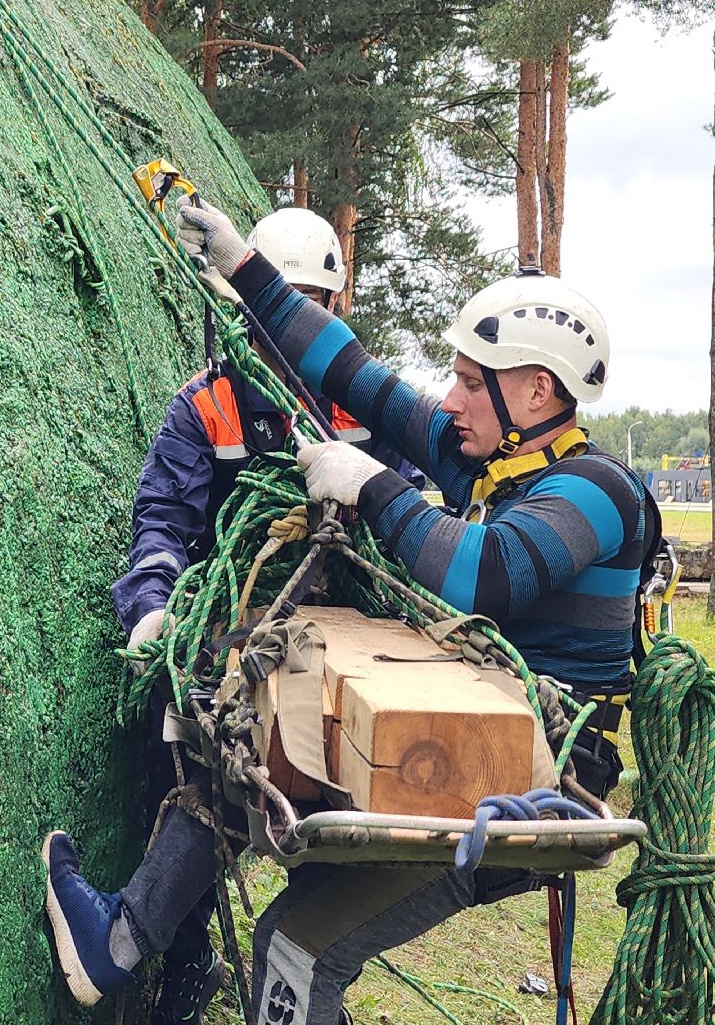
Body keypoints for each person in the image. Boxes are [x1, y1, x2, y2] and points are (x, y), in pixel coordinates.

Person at [42, 197, 654, 1025]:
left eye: (471, 383)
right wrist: (248, 272)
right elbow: (357, 376)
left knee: (298, 946)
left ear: (536, 390)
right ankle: (121, 940)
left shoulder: (595, 491)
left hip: (520, 778)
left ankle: (119, 942)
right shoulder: (494, 463)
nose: (449, 398)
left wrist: (371, 485)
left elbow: (484, 573)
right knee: (255, 746)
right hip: (454, 744)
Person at [108, 206, 399, 1025]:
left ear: (333, 311)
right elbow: (164, 523)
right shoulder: (208, 408)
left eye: (313, 302)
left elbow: (414, 529)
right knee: (190, 770)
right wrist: (154, 609)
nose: (293, 325)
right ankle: (179, 951)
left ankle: (303, 964)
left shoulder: (364, 413)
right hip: (232, 645)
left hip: (344, 647)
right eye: (284, 299)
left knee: (336, 828)